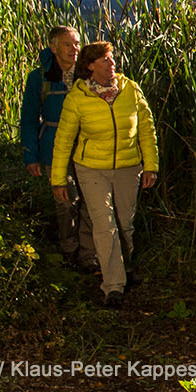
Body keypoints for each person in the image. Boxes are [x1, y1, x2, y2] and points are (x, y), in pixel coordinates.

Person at [50, 41, 158, 308]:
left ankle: (124, 268)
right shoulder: (78, 97)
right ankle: (113, 287)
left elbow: (146, 128)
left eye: (111, 59)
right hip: (91, 169)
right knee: (104, 224)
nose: (112, 64)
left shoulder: (130, 89)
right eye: (105, 60)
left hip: (128, 166)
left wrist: (151, 165)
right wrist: (58, 179)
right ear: (90, 66)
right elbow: (64, 140)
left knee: (124, 224)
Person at [16, 25, 95, 272]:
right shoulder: (39, 77)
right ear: (53, 47)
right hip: (52, 146)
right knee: (65, 201)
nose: (74, 49)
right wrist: (31, 154)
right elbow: (29, 118)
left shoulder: (88, 75)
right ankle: (69, 249)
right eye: (67, 44)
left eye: (77, 44)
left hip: (87, 147)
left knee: (91, 200)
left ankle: (89, 254)